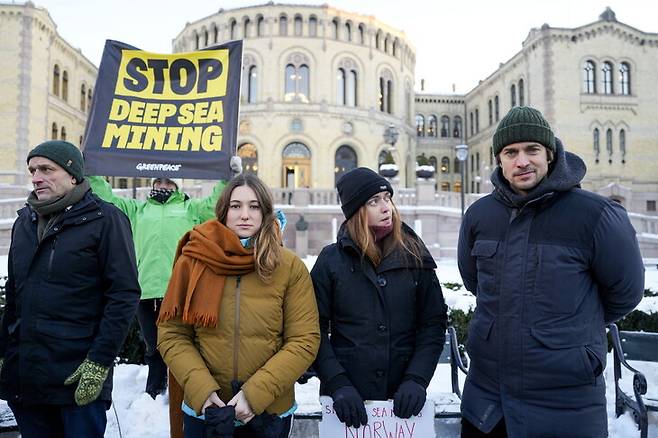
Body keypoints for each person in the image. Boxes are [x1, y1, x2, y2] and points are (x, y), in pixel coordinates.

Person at [457, 106, 645, 437]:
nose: (522, 161)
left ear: (551, 153)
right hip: (488, 403)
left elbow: (625, 293)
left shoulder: (597, 215)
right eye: (510, 152)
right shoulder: (479, 215)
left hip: (566, 405)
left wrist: (569, 333)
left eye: (532, 149)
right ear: (499, 159)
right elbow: (475, 282)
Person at [157, 174, 320, 438]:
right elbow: (172, 334)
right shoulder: (193, 260)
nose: (245, 215)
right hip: (206, 411)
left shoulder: (289, 267)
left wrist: (255, 395)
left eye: (254, 206)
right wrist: (203, 391)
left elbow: (304, 340)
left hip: (268, 413)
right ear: (223, 211)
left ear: (265, 212)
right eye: (236, 206)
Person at [0, 140, 140, 437]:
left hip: (77, 380)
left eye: (47, 169)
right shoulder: (24, 221)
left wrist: (99, 363)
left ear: (73, 174)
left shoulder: (106, 220)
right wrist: (5, 353)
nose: (37, 177)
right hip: (28, 381)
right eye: (33, 170)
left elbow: (123, 296)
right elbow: (14, 294)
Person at [87, 156, 240, 398]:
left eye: (169, 183)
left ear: (177, 186)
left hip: (180, 289)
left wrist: (227, 176)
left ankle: (183, 391)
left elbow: (216, 203)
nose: (163, 186)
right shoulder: (137, 210)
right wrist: (92, 171)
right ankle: (155, 392)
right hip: (144, 289)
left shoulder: (191, 209)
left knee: (182, 344)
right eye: (159, 182)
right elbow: (108, 199)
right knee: (153, 345)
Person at [311, 167, 448, 429]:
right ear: (356, 211)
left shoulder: (415, 254)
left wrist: (417, 379)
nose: (386, 207)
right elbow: (312, 328)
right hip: (347, 405)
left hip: (402, 406)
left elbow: (433, 323)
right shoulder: (331, 260)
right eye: (374, 201)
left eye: (387, 198)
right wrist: (336, 382)